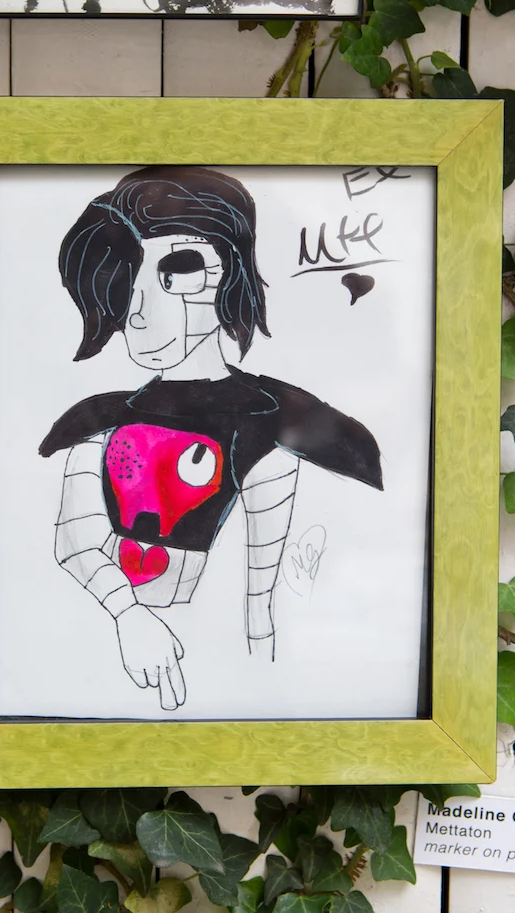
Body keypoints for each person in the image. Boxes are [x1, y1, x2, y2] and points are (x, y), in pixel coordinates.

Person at [40, 166, 382, 711]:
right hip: (93, 651)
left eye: (179, 270)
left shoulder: (271, 424)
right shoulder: (98, 422)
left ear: (230, 274)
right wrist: (129, 616)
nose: (143, 310)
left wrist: (261, 682)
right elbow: (74, 540)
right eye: (127, 279)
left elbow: (262, 603)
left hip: (223, 668)